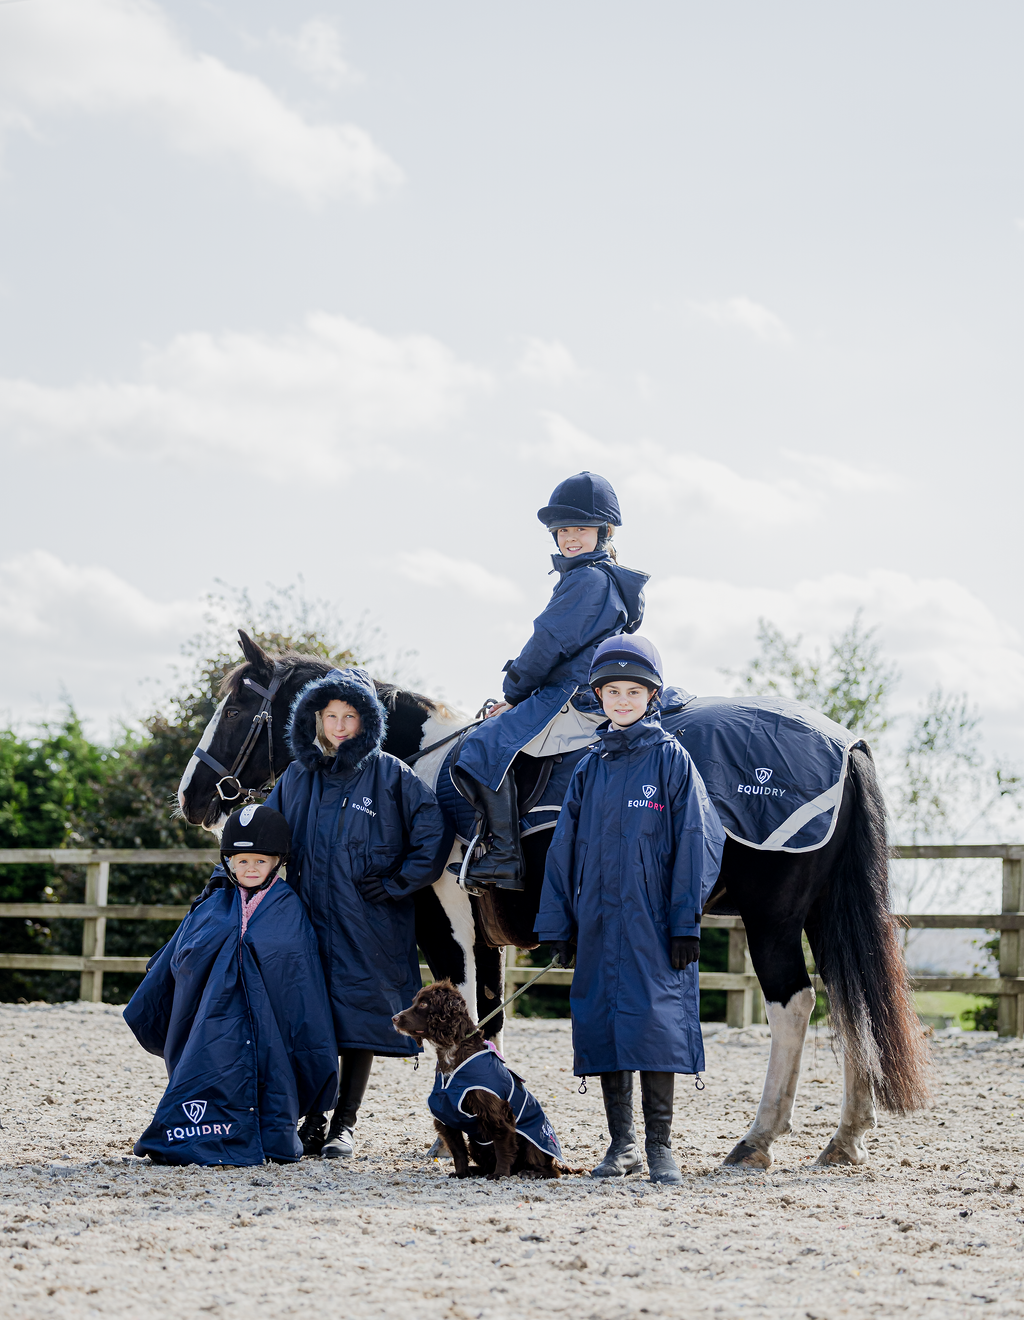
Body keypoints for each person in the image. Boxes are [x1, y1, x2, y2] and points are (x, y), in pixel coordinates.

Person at [534, 635, 726, 1184]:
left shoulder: (672, 761)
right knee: (604, 1025)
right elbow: (563, 849)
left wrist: (685, 920)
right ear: (600, 696)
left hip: (653, 923)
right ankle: (622, 1146)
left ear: (651, 695)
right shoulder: (589, 768)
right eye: (612, 691)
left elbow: (696, 839)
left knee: (656, 1025)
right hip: (597, 921)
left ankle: (661, 1148)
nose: (622, 699)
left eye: (633, 691)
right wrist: (557, 922)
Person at [265, 666, 452, 1160]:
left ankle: (343, 1125)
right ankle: (311, 1121)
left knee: (357, 1020)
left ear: (366, 720)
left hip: (367, 922)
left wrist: (398, 883)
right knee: (309, 1020)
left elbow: (432, 830)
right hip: (305, 920)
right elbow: (265, 837)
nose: (341, 725)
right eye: (332, 715)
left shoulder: (391, 774)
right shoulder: (296, 776)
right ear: (316, 718)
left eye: (351, 716)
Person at [453, 471, 649, 889]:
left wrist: (513, 693)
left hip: (571, 695)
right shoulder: (600, 577)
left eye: (581, 529)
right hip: (572, 688)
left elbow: (547, 644)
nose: (571, 538)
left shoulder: (587, 580)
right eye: (562, 531)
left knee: (479, 746)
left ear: (604, 531)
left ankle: (504, 856)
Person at [124, 804, 339, 1166]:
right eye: (242, 862)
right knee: (205, 1069)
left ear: (277, 863)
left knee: (271, 1072)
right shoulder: (212, 904)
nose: (250, 869)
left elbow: (299, 978)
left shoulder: (289, 908)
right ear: (229, 862)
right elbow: (181, 955)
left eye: (259, 862)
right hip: (212, 1020)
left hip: (269, 1024)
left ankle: (269, 1134)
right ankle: (201, 1131)